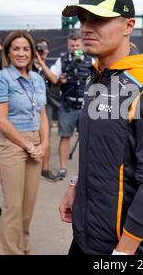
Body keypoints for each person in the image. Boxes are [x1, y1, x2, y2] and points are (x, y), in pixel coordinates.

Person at [59, 0, 143, 255]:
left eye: (98, 19)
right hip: (87, 234)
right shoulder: (95, 75)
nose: (86, 27)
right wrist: (75, 185)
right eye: (83, 19)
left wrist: (124, 251)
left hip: (128, 247)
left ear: (129, 25)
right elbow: (97, 147)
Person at [0, 30, 49, 254]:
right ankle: (10, 251)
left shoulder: (38, 79)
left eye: (25, 49)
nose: (21, 53)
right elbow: (2, 122)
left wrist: (44, 144)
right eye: (16, 49)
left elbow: (43, 115)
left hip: (35, 143)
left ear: (32, 52)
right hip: (12, 144)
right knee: (13, 206)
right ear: (8, 52)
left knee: (27, 206)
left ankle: (23, 247)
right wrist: (29, 145)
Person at [48, 33, 93, 180]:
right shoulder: (62, 60)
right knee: (65, 136)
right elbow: (53, 78)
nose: (74, 48)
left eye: (77, 45)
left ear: (82, 45)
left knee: (88, 138)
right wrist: (60, 80)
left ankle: (88, 169)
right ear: (68, 46)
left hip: (86, 106)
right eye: (72, 46)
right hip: (68, 105)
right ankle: (63, 167)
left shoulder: (91, 60)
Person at [33, 38, 58, 181]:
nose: (44, 51)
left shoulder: (47, 66)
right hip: (30, 108)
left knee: (45, 137)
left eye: (45, 48)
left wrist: (41, 62)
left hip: (45, 106)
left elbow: (54, 80)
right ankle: (32, 168)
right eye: (40, 49)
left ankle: (45, 169)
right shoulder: (28, 66)